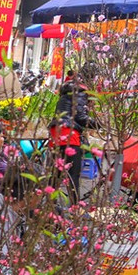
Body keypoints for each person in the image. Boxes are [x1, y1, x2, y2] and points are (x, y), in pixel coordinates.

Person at [49, 66, 96, 204]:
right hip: (69, 134)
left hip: (56, 132)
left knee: (56, 173)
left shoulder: (67, 91)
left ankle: (49, 204)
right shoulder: (80, 92)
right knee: (72, 174)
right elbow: (80, 117)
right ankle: (74, 207)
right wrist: (99, 124)